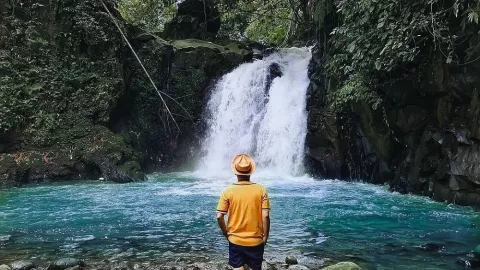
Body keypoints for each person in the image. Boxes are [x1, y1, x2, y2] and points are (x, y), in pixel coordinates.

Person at [216, 154, 271, 270]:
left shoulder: (227, 191)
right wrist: (265, 236)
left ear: (235, 172)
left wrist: (225, 232)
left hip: (235, 240)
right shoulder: (261, 189)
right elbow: (265, 215)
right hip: (256, 241)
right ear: (251, 171)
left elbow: (219, 216)